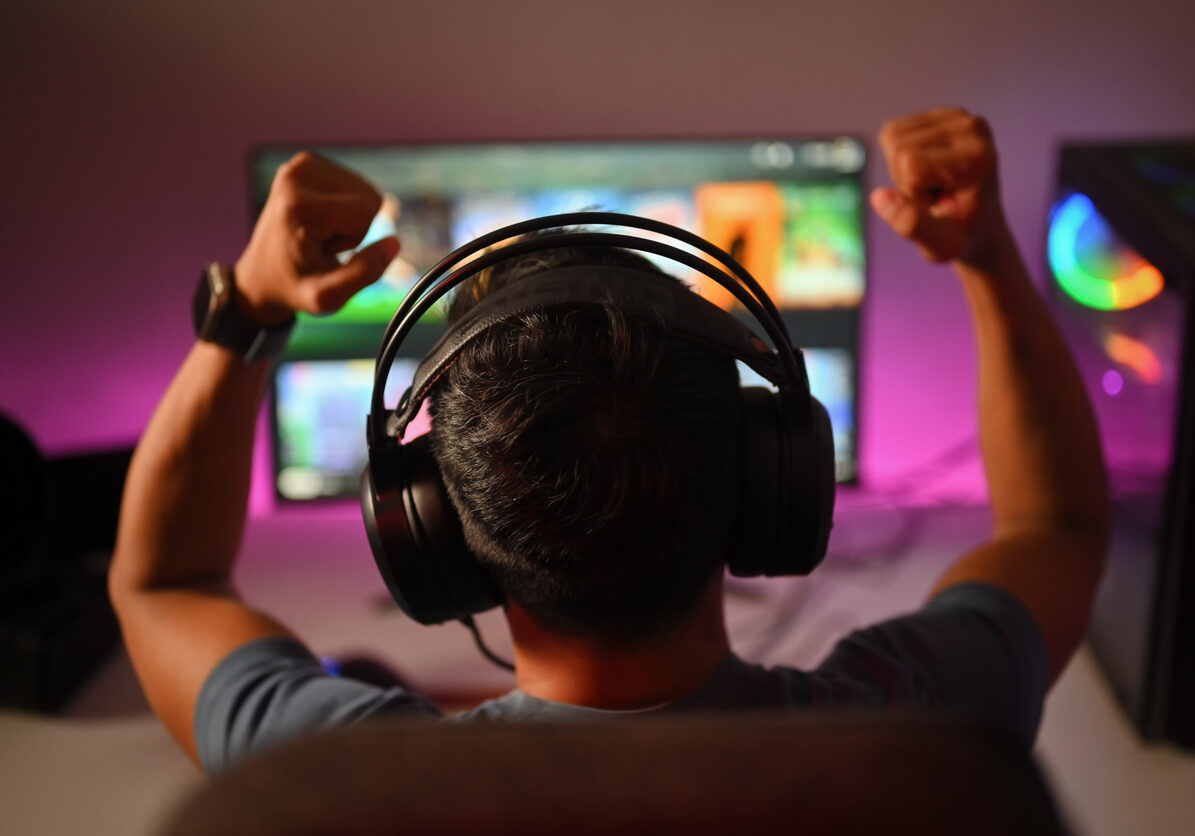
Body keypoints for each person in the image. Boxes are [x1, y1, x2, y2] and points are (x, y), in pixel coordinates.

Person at [108, 108, 1109, 774]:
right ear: (771, 482)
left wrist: (245, 311)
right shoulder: (917, 729)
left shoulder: (336, 781)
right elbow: (1056, 526)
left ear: (432, 533)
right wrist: (984, 258)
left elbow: (166, 585)